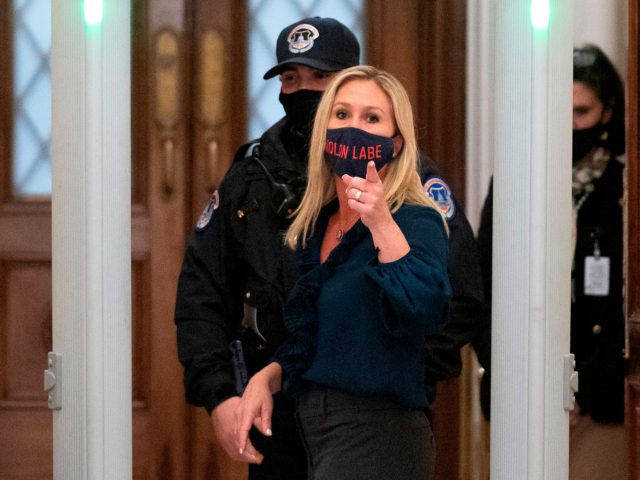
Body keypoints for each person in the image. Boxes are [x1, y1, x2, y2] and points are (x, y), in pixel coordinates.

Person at [174, 15, 484, 480]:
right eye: (291, 78)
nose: (304, 92)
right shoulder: (258, 180)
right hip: (279, 417)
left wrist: (392, 373)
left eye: (321, 78)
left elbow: (451, 298)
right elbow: (201, 293)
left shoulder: (411, 193)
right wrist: (221, 393)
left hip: (373, 425)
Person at [234, 65, 451, 480]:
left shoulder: (416, 220)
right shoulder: (318, 225)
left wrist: (381, 221)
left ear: (396, 142)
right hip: (313, 433)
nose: (354, 127)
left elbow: (427, 309)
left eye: (372, 118)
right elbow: (315, 338)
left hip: (378, 436)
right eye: (342, 115)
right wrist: (268, 377)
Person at [476, 44, 626, 477]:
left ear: (608, 112)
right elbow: (481, 287)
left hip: (601, 401)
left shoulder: (623, 186)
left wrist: (584, 388)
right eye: (560, 111)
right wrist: (516, 373)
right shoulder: (514, 177)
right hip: (519, 395)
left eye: (582, 112)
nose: (570, 125)